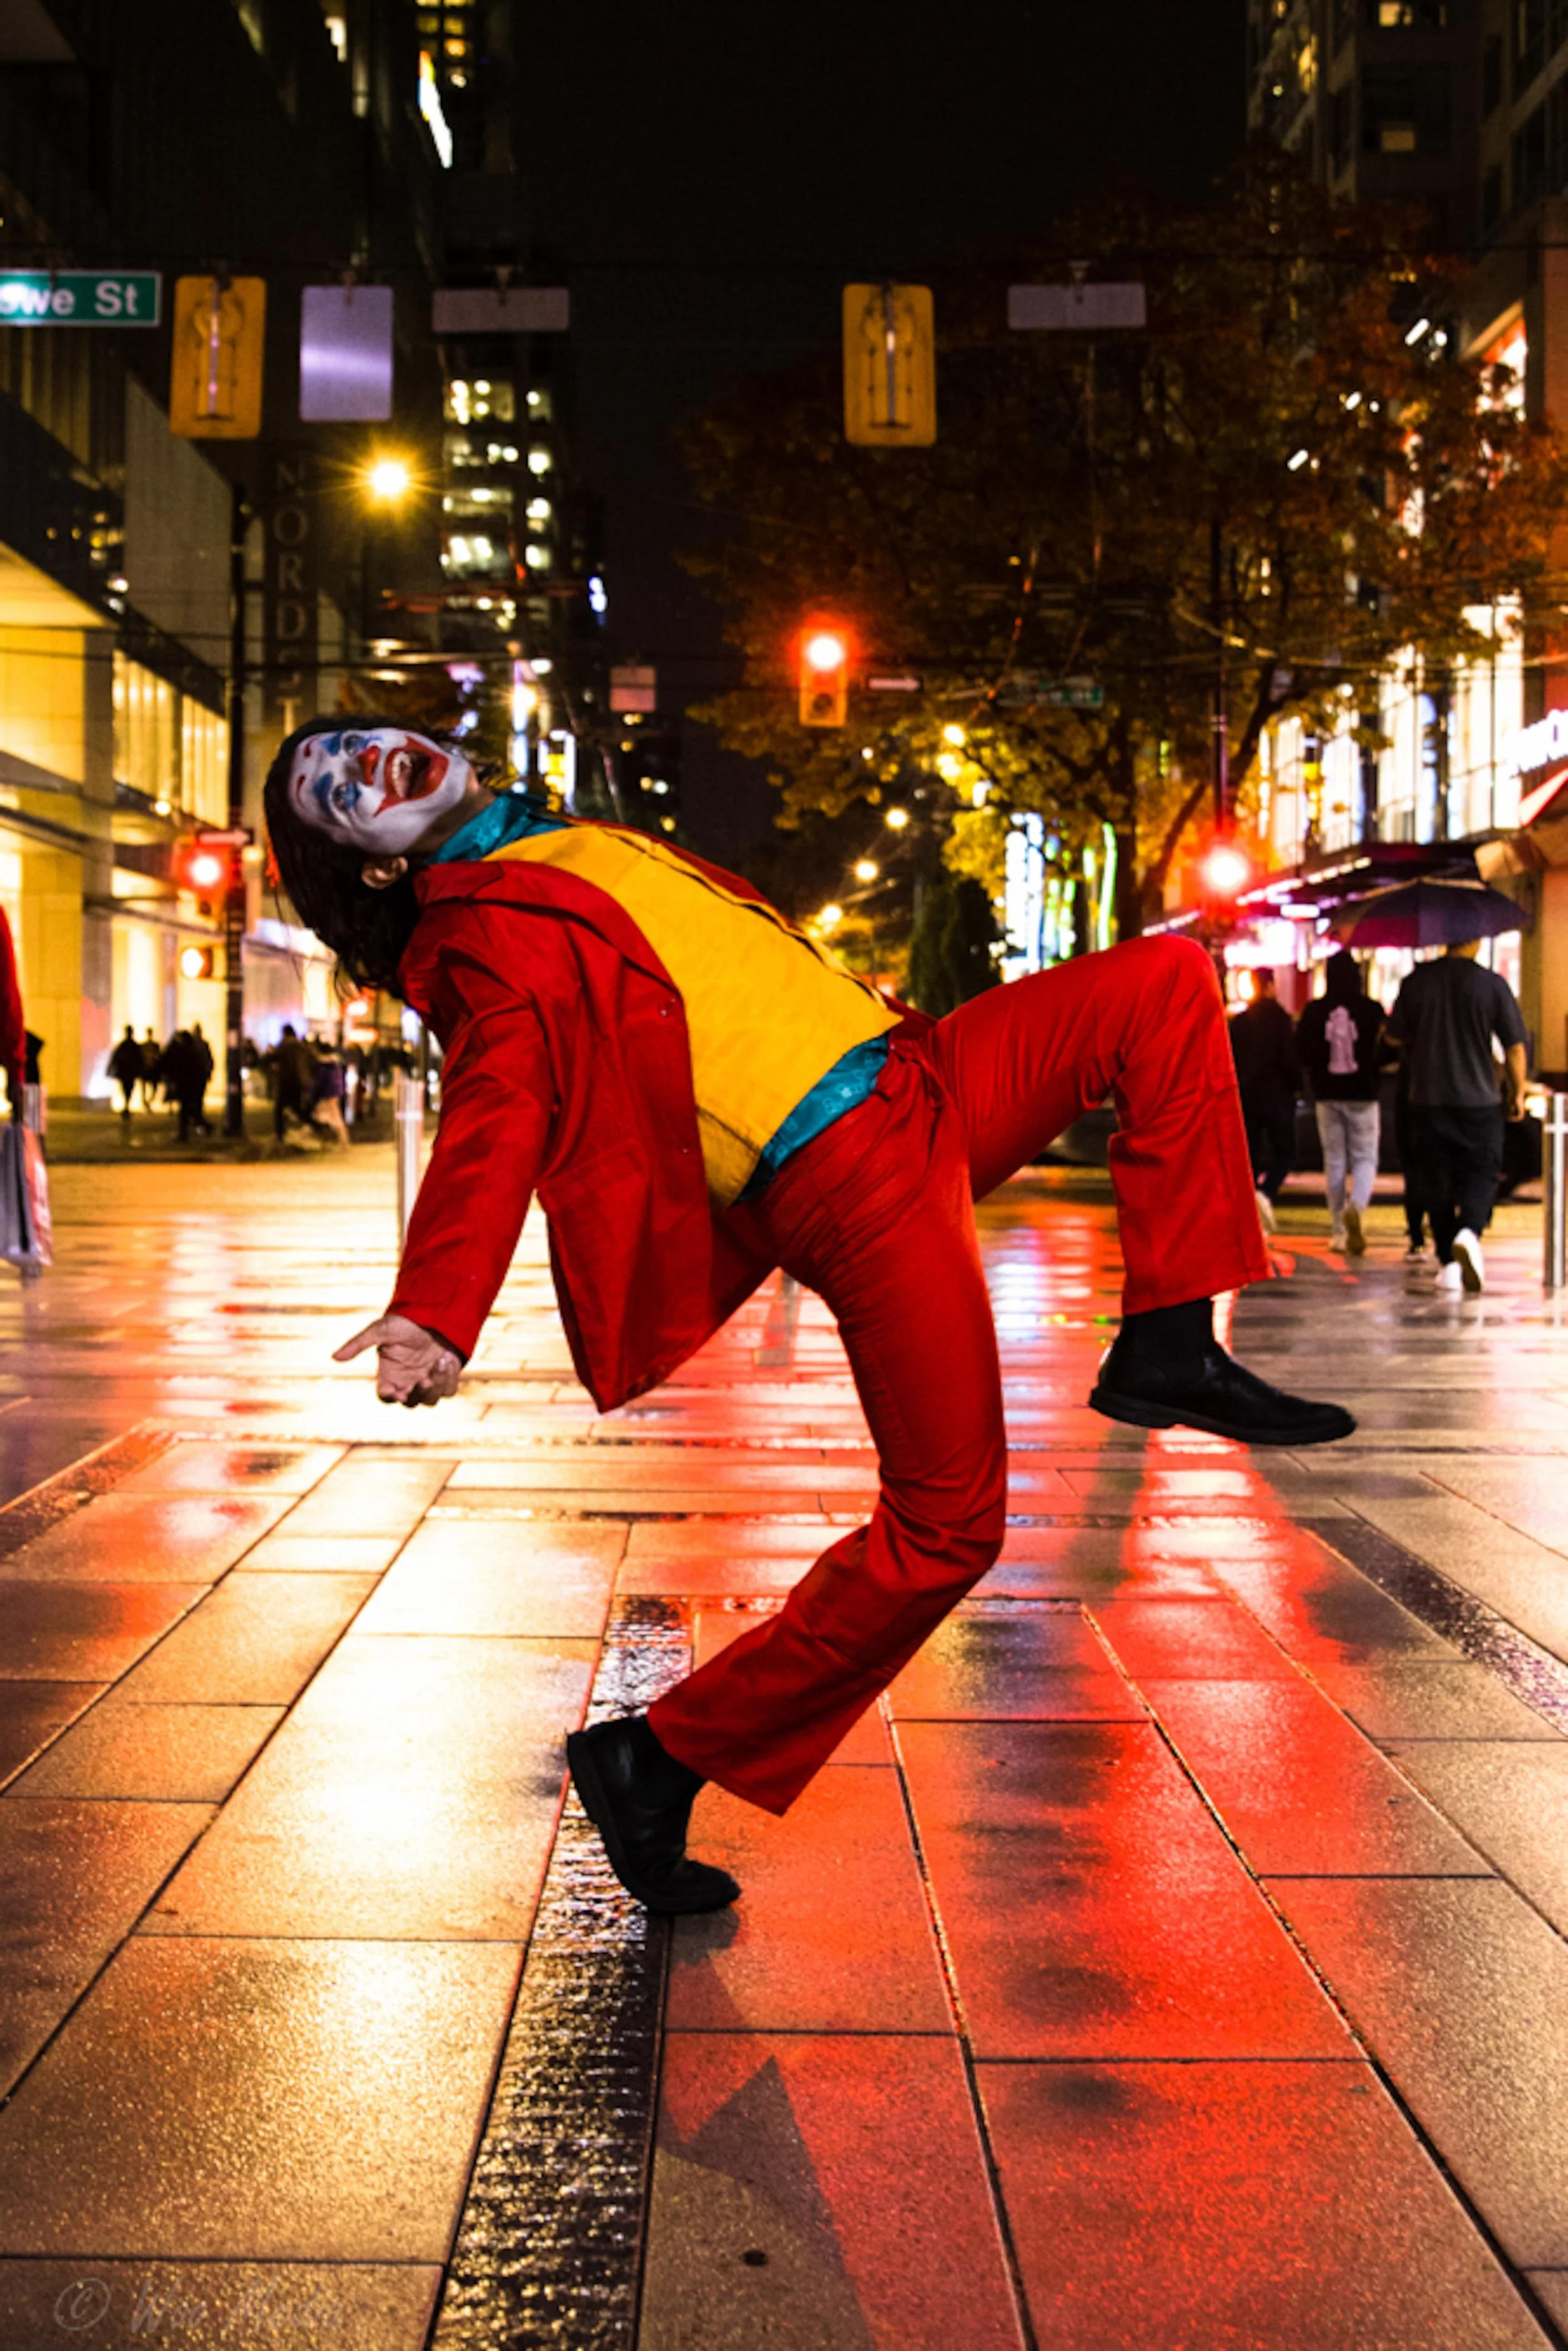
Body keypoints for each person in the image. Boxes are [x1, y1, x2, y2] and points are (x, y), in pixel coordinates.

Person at [265, 718, 1354, 1917]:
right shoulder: (479, 939)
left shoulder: (563, 842)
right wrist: (436, 1301)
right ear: (376, 863)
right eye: (340, 789)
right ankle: (660, 1755)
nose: (369, 763)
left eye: (359, 742)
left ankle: (1171, 1338)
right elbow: (496, 1099)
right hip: (846, 1169)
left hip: (925, 1071)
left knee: (1164, 978)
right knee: (948, 1527)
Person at [1385, 938, 1529, 1293]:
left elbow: (1392, 1037)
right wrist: (1518, 1091)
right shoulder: (1492, 985)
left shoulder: (1417, 983)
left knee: (1436, 1179)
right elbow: (1514, 1047)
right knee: (1483, 1170)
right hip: (1479, 1099)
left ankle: (1448, 1264)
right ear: (1477, 942)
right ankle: (1470, 1231)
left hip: (1427, 1098)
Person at [1295, 952, 1385, 1254]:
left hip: (1327, 1092)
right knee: (1365, 1157)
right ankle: (1356, 1208)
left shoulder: (1315, 1011)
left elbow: (1303, 1053)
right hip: (1363, 1093)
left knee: (1334, 1160)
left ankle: (1337, 1231)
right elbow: (1384, 1050)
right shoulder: (1371, 1010)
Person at [1227, 969, 1302, 1232]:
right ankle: (1266, 1193)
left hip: (1247, 1097)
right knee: (1286, 1152)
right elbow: (1289, 1058)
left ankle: (1251, 1207)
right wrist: (1298, 1086)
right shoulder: (1280, 1019)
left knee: (1251, 1154)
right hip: (1277, 1095)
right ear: (1270, 986)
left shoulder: (1240, 1022)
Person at [272, 1023, 314, 1140]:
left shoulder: (285, 1045)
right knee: (297, 1107)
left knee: (280, 1108)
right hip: (301, 1082)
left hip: (288, 1081)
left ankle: (280, 1134)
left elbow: (273, 1057)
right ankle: (313, 1124)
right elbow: (312, 1060)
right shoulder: (302, 1046)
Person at [107, 1025, 145, 1122]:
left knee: (126, 1088)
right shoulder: (133, 1046)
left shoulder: (124, 1045)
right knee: (129, 1089)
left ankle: (126, 1106)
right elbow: (140, 1059)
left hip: (125, 1071)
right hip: (129, 1071)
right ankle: (126, 1105)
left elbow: (115, 1058)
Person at [139, 1028, 161, 1110]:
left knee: (149, 1086)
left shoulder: (150, 1046)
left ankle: (147, 1101)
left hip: (150, 1069)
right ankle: (146, 1102)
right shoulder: (152, 1046)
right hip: (149, 1069)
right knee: (150, 1086)